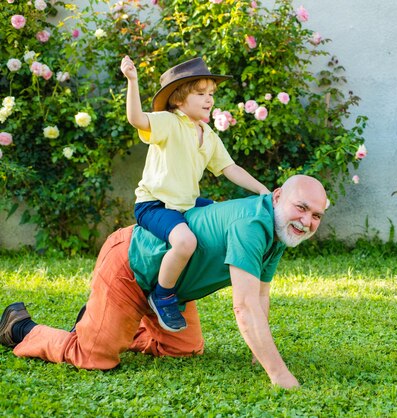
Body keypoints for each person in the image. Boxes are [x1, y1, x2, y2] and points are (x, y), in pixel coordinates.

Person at [0, 175, 326, 389]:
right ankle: (21, 329)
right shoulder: (251, 225)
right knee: (94, 357)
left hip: (167, 293)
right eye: (301, 208)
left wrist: (260, 353)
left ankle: (106, 321)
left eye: (316, 215)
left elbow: (260, 294)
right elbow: (244, 307)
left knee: (184, 349)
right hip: (130, 266)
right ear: (278, 196)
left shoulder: (278, 232)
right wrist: (279, 374)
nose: (307, 221)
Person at [121, 55, 271, 333]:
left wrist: (263, 190)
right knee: (185, 242)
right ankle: (163, 294)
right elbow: (136, 118)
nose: (209, 99)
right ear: (179, 100)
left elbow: (230, 168)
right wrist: (132, 81)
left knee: (218, 213)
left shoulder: (208, 135)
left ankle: (182, 281)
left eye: (211, 94)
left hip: (185, 204)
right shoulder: (169, 122)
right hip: (155, 204)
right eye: (200, 94)